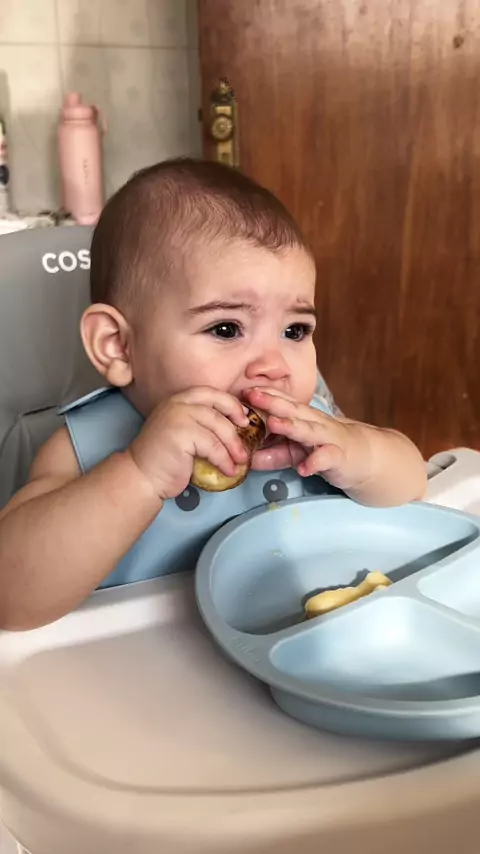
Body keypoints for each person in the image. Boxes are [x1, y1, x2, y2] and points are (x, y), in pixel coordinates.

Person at [0, 158, 426, 630]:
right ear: (118, 345)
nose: (274, 366)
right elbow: (11, 597)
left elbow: (412, 487)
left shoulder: (310, 430)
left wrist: (361, 454)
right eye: (226, 328)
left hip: (297, 644)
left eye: (295, 330)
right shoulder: (82, 449)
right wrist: (139, 474)